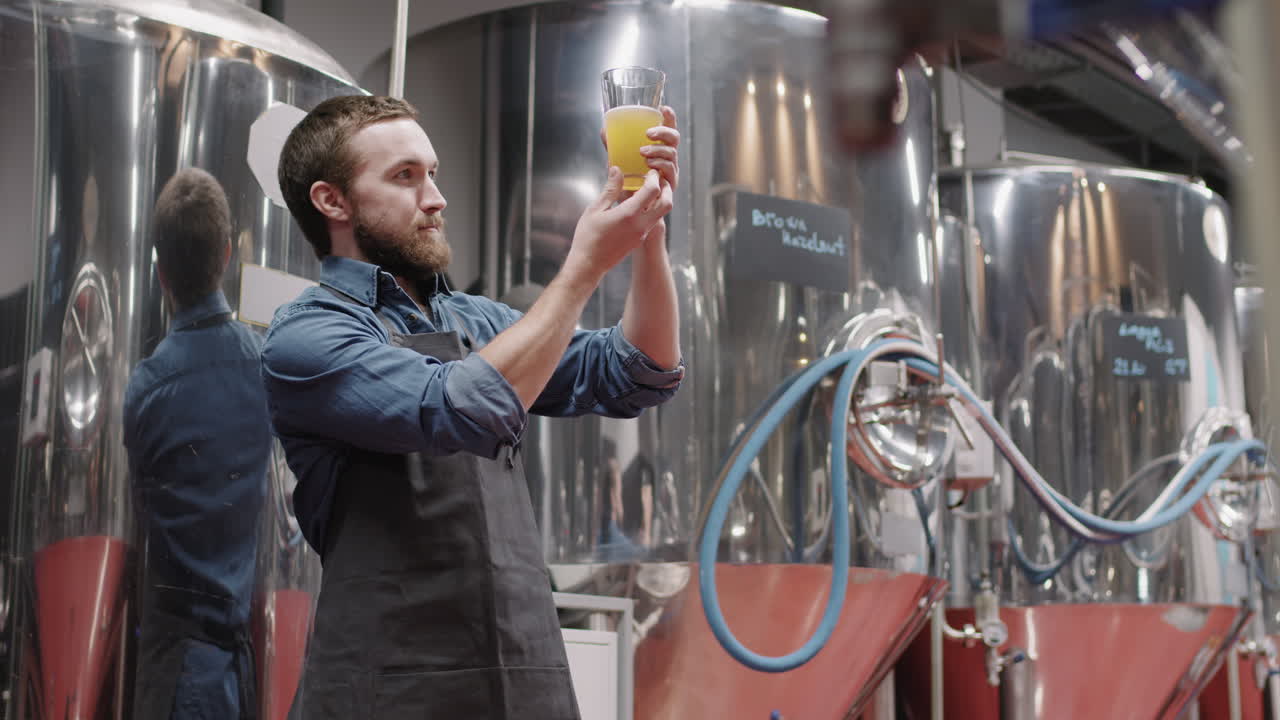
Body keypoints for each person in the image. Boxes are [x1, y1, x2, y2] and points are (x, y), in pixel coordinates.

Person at [261, 95, 683, 719]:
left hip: (524, 678)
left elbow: (637, 372)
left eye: (432, 173)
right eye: (405, 176)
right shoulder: (309, 334)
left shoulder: (475, 318)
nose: (435, 198)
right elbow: (457, 407)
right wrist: (585, 266)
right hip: (389, 690)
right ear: (333, 201)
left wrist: (646, 235)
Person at [123, 168, 271, 719]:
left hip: (175, 675)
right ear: (227, 255)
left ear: (160, 270)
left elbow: (141, 512)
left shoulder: (146, 389)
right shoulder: (265, 367)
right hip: (240, 676)